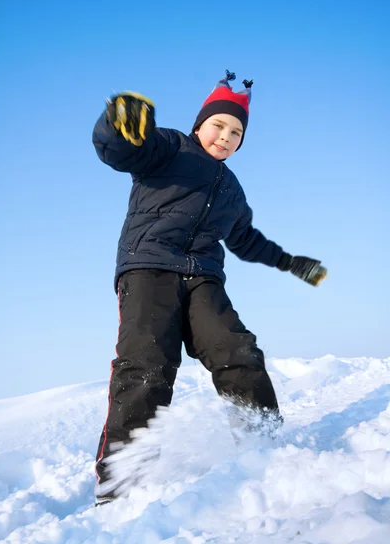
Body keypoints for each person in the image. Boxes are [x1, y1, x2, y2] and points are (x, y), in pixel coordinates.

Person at [92, 70, 326, 503]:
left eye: (236, 132)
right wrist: (119, 126)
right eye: (219, 125)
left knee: (237, 350)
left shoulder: (232, 190)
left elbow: (246, 240)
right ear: (200, 124)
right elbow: (122, 150)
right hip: (149, 270)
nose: (225, 136)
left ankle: (264, 450)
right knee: (147, 366)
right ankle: (120, 488)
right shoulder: (167, 148)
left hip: (203, 278)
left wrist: (292, 263)